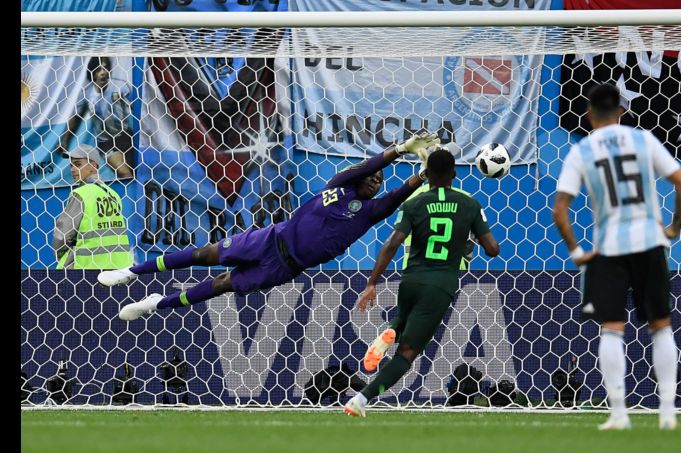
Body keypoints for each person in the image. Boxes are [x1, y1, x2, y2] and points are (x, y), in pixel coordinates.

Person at [98, 132, 440, 320]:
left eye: (380, 181)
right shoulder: (338, 184)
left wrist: (426, 173)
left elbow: (398, 195)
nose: (377, 182)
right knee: (205, 254)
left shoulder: (368, 212)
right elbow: (366, 165)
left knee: (221, 285)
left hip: (285, 266)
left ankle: (156, 305)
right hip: (268, 238)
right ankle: (131, 271)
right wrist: (401, 149)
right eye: (373, 177)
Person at [551, 83, 681, 430]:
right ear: (622, 112)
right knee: (660, 326)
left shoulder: (582, 150)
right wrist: (673, 227)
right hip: (649, 241)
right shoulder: (643, 139)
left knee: (612, 330)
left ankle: (618, 414)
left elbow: (560, 209)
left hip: (610, 248)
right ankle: (668, 413)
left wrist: (577, 252)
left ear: (587, 114)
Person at [343, 149, 500, 417]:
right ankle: (361, 399)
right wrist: (466, 239)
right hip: (439, 286)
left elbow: (392, 243)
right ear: (454, 174)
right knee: (407, 353)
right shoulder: (470, 204)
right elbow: (492, 249)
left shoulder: (415, 203)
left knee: (406, 324)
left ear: (427, 174)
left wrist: (372, 283)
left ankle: (391, 330)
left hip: (411, 280)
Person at [53, 145, 133, 270]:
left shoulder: (81, 194)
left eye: (78, 164)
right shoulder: (113, 194)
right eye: (71, 165)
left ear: (93, 166)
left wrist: (64, 259)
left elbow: (63, 235)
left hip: (85, 268)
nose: (73, 170)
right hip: (119, 268)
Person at [56, 57, 134, 179]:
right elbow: (76, 118)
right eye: (98, 70)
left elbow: (136, 104)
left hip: (127, 137)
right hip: (106, 143)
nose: (103, 72)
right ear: (92, 74)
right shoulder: (87, 94)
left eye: (105, 68)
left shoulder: (120, 86)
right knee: (125, 174)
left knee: (134, 174)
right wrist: (64, 141)